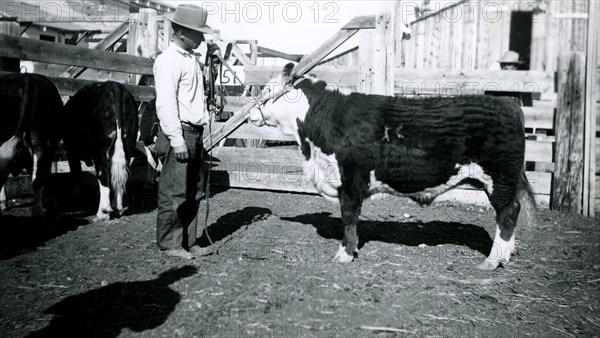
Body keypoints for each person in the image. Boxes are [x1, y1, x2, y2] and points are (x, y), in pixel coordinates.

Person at [153, 4, 219, 259]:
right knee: (175, 190)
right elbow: (166, 103)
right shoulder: (167, 61)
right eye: (198, 33)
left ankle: (188, 240)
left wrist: (210, 59)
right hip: (180, 133)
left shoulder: (191, 59)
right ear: (180, 32)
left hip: (195, 132)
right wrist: (177, 141)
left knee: (194, 189)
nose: (202, 38)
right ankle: (170, 243)